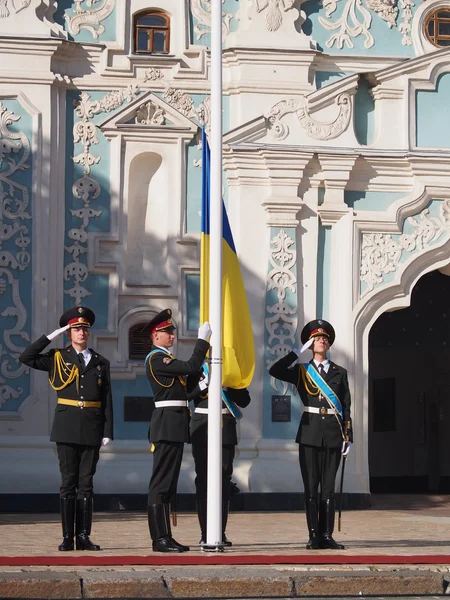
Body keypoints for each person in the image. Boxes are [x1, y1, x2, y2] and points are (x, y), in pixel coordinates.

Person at [19, 306, 113, 551]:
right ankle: (67, 537)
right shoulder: (58, 357)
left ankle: (83, 536)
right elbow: (26, 357)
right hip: (67, 426)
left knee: (87, 483)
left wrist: (107, 431)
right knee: (68, 482)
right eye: (76, 328)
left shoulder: (101, 362)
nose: (81, 332)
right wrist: (51, 336)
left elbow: (107, 400)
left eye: (84, 328)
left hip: (92, 427)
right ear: (69, 332)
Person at [268, 319, 352, 550]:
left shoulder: (339, 372)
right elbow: (274, 370)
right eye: (316, 339)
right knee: (311, 487)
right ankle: (313, 534)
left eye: (324, 339)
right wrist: (296, 353)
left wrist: (348, 437)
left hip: (333, 434)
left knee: (328, 488)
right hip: (309, 433)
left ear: (329, 344)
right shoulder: (301, 371)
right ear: (310, 344)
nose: (321, 342)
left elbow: (346, 406)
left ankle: (327, 535)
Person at [145, 308, 211, 553]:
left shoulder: (167, 361)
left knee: (168, 484)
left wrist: (201, 387)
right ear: (155, 335)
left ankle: (166, 537)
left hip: (174, 424)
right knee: (160, 484)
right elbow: (193, 366)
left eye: (171, 332)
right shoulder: (156, 358)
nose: (171, 336)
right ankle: (159, 538)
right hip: (166, 425)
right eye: (166, 332)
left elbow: (180, 396)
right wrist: (203, 341)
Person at [188, 364, 251, 547]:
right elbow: (186, 395)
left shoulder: (229, 370)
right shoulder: (196, 369)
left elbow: (245, 400)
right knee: (203, 479)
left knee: (224, 480)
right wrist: (202, 385)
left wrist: (228, 386)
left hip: (225, 426)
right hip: (203, 426)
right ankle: (205, 532)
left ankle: (220, 532)